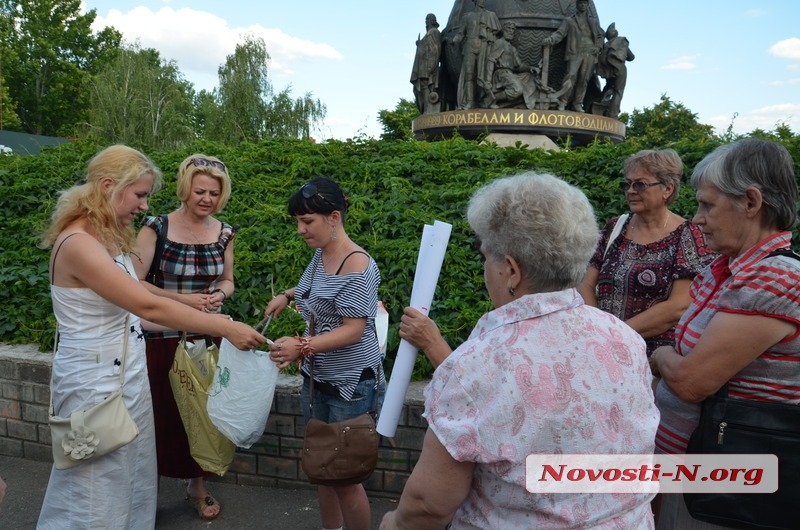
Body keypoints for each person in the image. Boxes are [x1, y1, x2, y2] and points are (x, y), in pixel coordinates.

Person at [381, 172, 659, 529]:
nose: (485, 269)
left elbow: (428, 505)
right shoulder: (625, 339)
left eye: (486, 257)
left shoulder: (478, 363)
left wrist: (392, 524)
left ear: (511, 270)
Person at [37, 145, 265, 529]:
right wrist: (225, 327)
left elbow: (133, 318)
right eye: (140, 194)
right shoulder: (78, 244)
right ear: (109, 186)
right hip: (93, 387)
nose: (144, 206)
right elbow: (148, 306)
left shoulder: (108, 238)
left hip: (127, 376)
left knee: (133, 481)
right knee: (93, 492)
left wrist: (200, 321)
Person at [650, 138, 800, 528]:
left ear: (751, 202)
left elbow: (691, 382)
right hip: (697, 475)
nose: (697, 219)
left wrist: (659, 355)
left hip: (728, 488)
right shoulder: (729, 269)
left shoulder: (772, 277)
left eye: (707, 205)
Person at [263, 176, 383, 530]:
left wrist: (301, 347)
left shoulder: (357, 266)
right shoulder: (320, 256)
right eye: (298, 222)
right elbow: (306, 290)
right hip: (316, 381)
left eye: (307, 221)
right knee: (321, 467)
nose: (300, 230)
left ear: (333, 217)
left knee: (345, 477)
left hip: (350, 386)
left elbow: (354, 329)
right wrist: (285, 297)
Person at [132, 154, 235, 521]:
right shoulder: (155, 227)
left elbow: (228, 280)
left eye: (213, 192)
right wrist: (183, 301)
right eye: (200, 190)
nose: (206, 198)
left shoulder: (224, 232)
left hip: (205, 338)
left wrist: (219, 295)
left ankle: (197, 486)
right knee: (159, 415)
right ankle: (146, 493)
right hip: (161, 336)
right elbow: (134, 283)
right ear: (184, 189)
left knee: (202, 416)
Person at [578, 149, 714, 358]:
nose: (630, 191)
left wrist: (613, 334)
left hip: (651, 360)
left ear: (667, 189)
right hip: (600, 351)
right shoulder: (615, 227)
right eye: (627, 184)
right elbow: (585, 283)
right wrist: (599, 332)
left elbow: (679, 306)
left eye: (640, 184)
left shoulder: (688, 235)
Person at [542, 0, 604, 112]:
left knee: (584, 80)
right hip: (575, 52)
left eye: (584, 3)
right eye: (580, 3)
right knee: (570, 76)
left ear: (587, 5)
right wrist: (551, 39)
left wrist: (598, 47)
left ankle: (578, 103)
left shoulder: (593, 21)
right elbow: (560, 33)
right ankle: (563, 102)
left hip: (589, 53)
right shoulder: (570, 20)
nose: (582, 5)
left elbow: (600, 36)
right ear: (577, 5)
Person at [483, 21, 552, 109]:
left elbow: (519, 66)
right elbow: (491, 60)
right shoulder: (499, 43)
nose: (511, 31)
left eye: (512, 29)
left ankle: (522, 102)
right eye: (508, 29)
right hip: (501, 74)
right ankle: (491, 99)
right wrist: (488, 81)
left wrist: (530, 68)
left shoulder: (512, 48)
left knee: (530, 78)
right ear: (503, 30)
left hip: (510, 74)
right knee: (517, 89)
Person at [451, 0, 502, 110]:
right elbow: (460, 33)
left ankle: (487, 100)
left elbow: (496, 34)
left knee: (483, 75)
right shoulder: (467, 16)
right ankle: (470, 102)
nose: (483, 1)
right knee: (469, 75)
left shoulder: (490, 15)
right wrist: (454, 40)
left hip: (484, 47)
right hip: (469, 46)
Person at [595, 22, 635, 118]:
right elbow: (631, 57)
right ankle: (612, 113)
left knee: (608, 87)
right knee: (618, 92)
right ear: (615, 33)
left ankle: (602, 104)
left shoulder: (605, 46)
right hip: (620, 69)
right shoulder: (621, 41)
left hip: (609, 72)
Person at [410, 13, 442, 115]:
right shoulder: (428, 34)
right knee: (422, 88)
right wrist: (420, 44)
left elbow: (435, 49)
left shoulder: (434, 32)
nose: (426, 21)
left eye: (428, 19)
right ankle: (426, 109)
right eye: (426, 19)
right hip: (423, 66)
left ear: (433, 21)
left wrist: (430, 67)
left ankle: (428, 110)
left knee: (426, 86)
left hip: (428, 66)